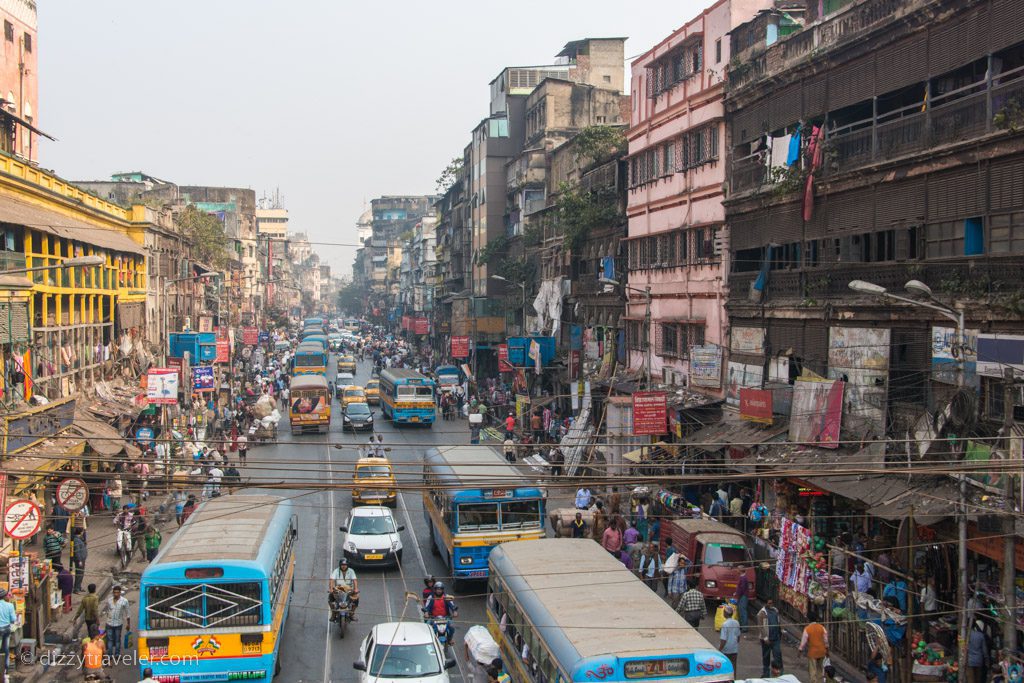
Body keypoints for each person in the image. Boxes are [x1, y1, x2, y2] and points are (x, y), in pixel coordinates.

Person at [102, 584, 131, 658]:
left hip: (118, 623)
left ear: (120, 592)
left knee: (117, 639)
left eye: (117, 592)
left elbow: (128, 613)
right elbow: (108, 611)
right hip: (109, 623)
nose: (116, 594)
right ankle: (110, 654)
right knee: (110, 639)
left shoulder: (124, 601)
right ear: (113, 593)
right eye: (114, 592)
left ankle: (117, 654)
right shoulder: (109, 600)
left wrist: (128, 624)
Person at [758, 598, 783, 677]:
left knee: (778, 655)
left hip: (775, 638)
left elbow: (778, 622)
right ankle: (766, 674)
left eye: (771, 603)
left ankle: (780, 673)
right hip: (766, 640)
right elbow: (761, 627)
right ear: (765, 604)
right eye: (769, 603)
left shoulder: (775, 611)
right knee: (766, 656)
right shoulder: (761, 613)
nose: (770, 605)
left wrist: (781, 631)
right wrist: (765, 638)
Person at [718, 605, 741, 672]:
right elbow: (738, 637)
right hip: (734, 649)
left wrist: (719, 649)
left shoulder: (725, 624)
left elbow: (723, 640)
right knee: (733, 666)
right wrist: (735, 645)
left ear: (725, 613)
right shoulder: (736, 622)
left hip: (726, 649)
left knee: (725, 667)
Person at [71, 528, 87, 593]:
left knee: (81, 574)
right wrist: (79, 560)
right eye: (82, 532)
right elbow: (77, 551)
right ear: (80, 532)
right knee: (79, 574)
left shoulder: (80, 539)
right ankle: (76, 588)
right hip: (79, 560)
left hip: (82, 559)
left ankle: (79, 586)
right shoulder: (76, 540)